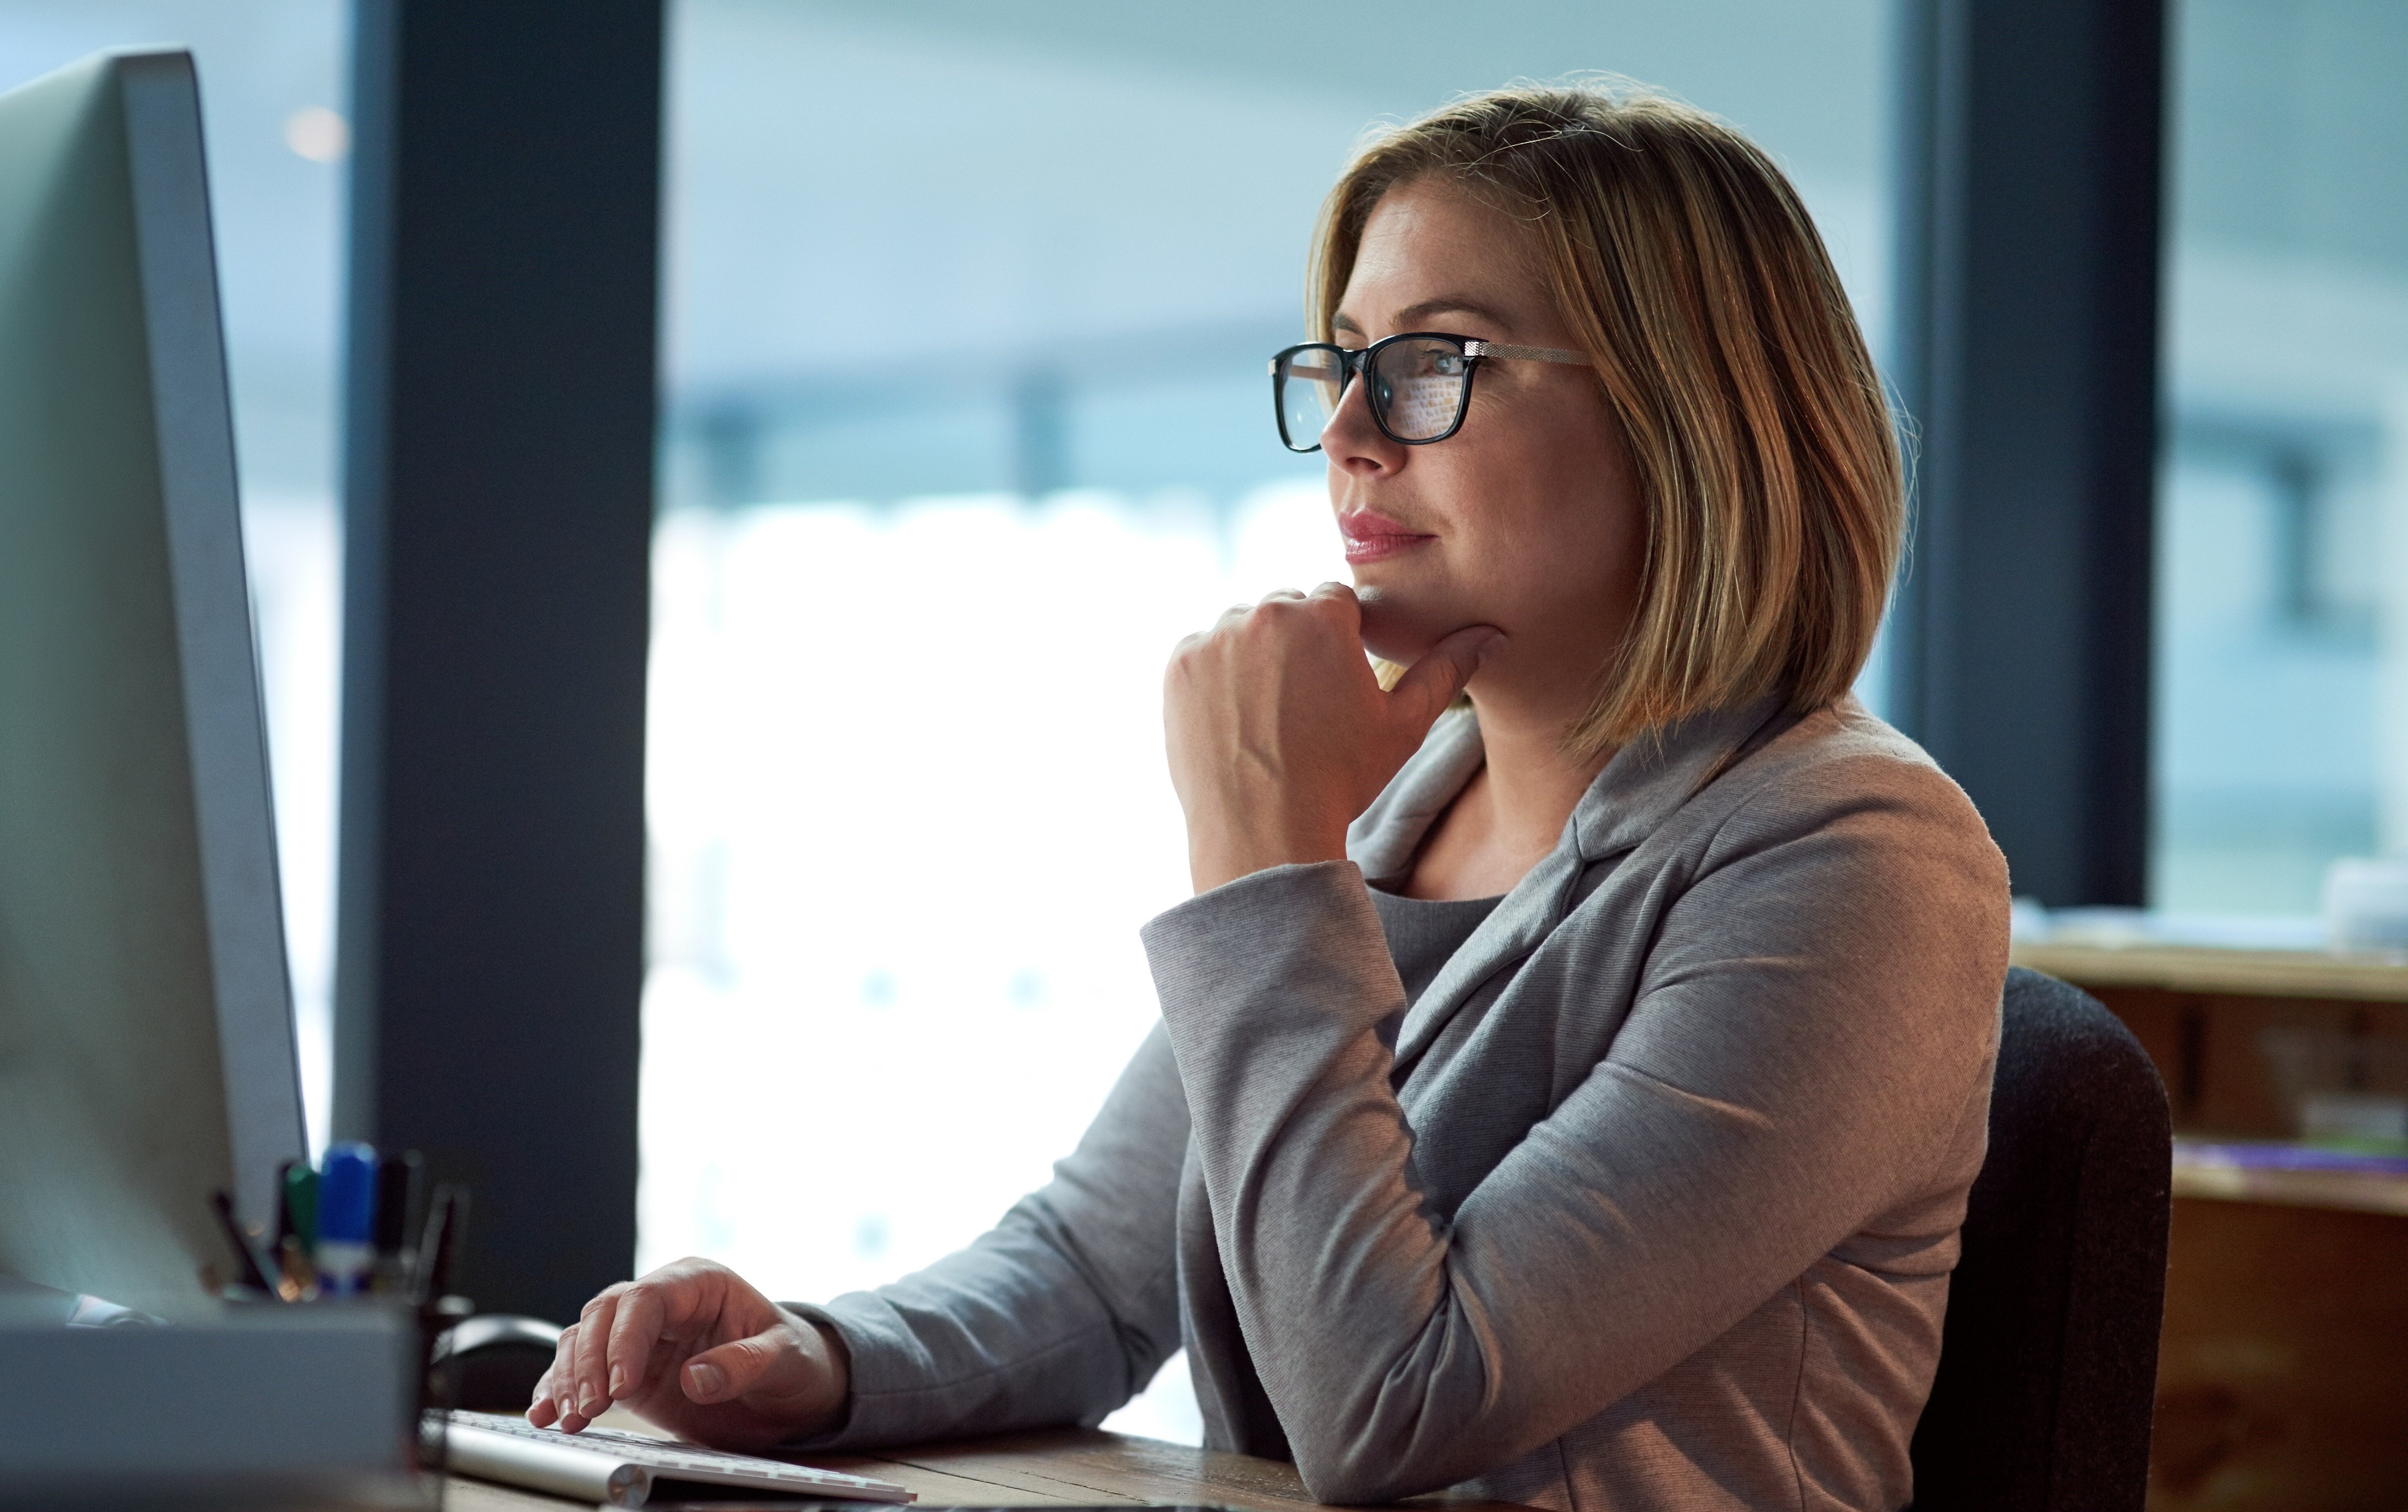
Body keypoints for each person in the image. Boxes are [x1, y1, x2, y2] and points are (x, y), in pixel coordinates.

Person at [529, 80, 2008, 1511]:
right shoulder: (1399, 807)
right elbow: (1099, 1267)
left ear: (1688, 413)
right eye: (1343, 363)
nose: (1355, 434)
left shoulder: (1858, 859)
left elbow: (1398, 1400)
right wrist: (818, 1360)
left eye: (1437, 363)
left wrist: (1260, 854)